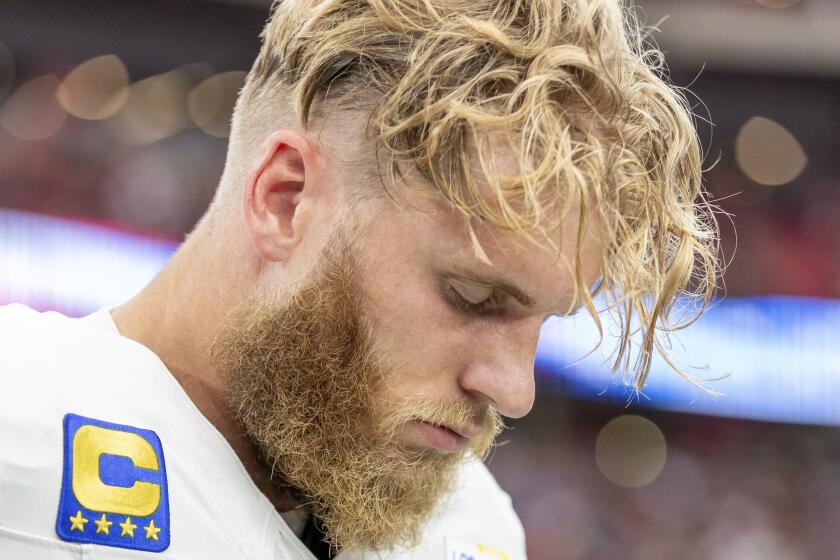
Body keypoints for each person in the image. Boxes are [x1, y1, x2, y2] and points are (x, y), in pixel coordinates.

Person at [0, 0, 719, 558]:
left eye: (544, 320)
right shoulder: (19, 423)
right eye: (472, 298)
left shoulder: (477, 529)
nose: (513, 388)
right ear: (285, 199)